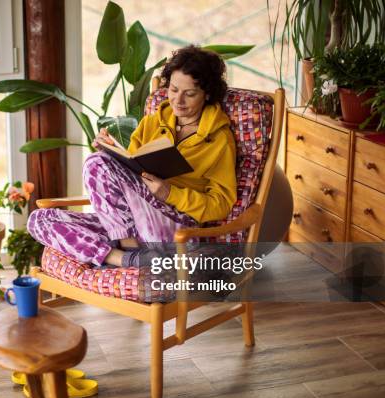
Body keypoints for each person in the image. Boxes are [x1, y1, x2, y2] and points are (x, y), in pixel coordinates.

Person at [27, 45, 237, 268]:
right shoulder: (153, 122)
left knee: (95, 163)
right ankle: (124, 258)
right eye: (174, 89)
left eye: (190, 94)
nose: (178, 100)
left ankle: (128, 248)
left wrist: (170, 193)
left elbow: (221, 204)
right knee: (40, 220)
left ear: (207, 94)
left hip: (175, 227)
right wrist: (110, 149)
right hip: (134, 223)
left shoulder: (219, 139)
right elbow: (129, 165)